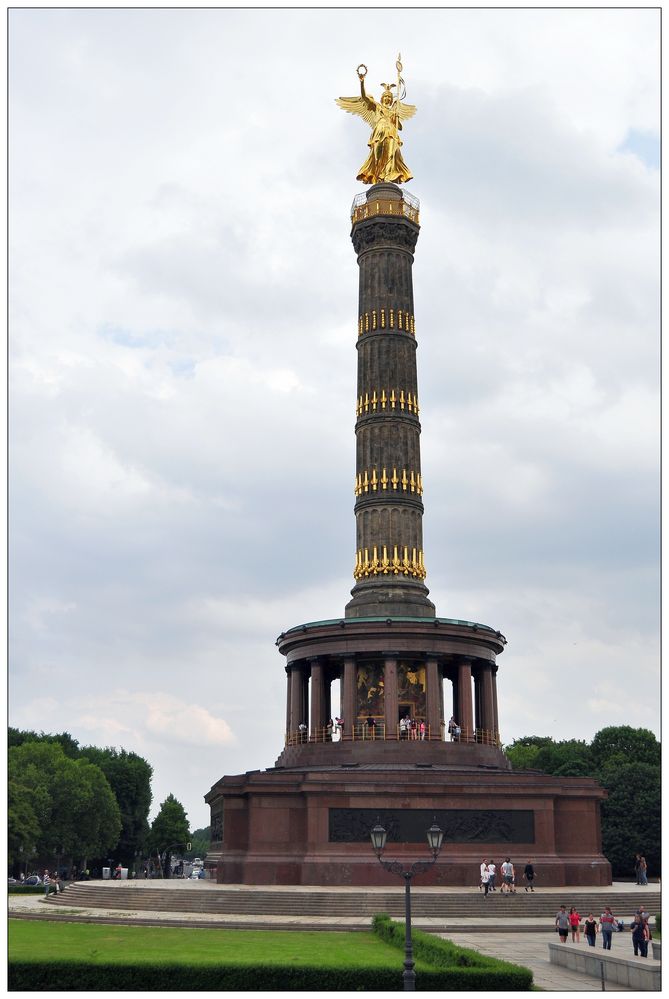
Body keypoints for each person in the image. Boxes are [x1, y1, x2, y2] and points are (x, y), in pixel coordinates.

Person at [336, 64, 416, 185]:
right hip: (379, 132)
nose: (388, 98)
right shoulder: (376, 106)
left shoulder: (394, 111)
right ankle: (378, 176)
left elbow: (400, 127)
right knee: (377, 156)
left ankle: (388, 177)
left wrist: (396, 117)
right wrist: (362, 82)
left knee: (391, 155)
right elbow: (364, 97)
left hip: (391, 133)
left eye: (389, 97)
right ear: (382, 98)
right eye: (386, 96)